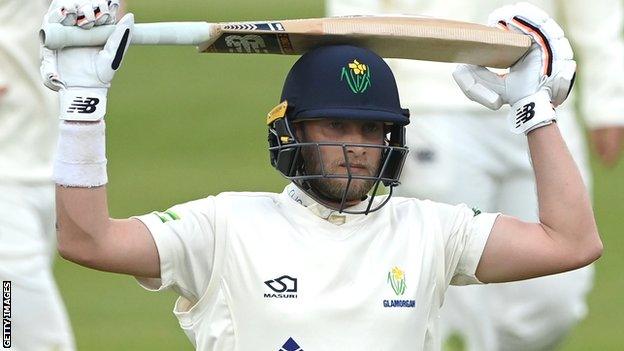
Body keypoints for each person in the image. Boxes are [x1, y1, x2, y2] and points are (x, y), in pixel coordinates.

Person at [41, 1, 602, 350]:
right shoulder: (223, 225)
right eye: (335, 126)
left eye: (371, 130)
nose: (354, 148)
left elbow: (571, 243)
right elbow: (87, 239)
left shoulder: (431, 231)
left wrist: (534, 111)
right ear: (292, 132)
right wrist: (82, 104)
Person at [325, 0, 624, 350]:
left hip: (539, 91)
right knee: (452, 296)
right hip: (432, 94)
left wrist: (609, 98)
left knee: (555, 296)